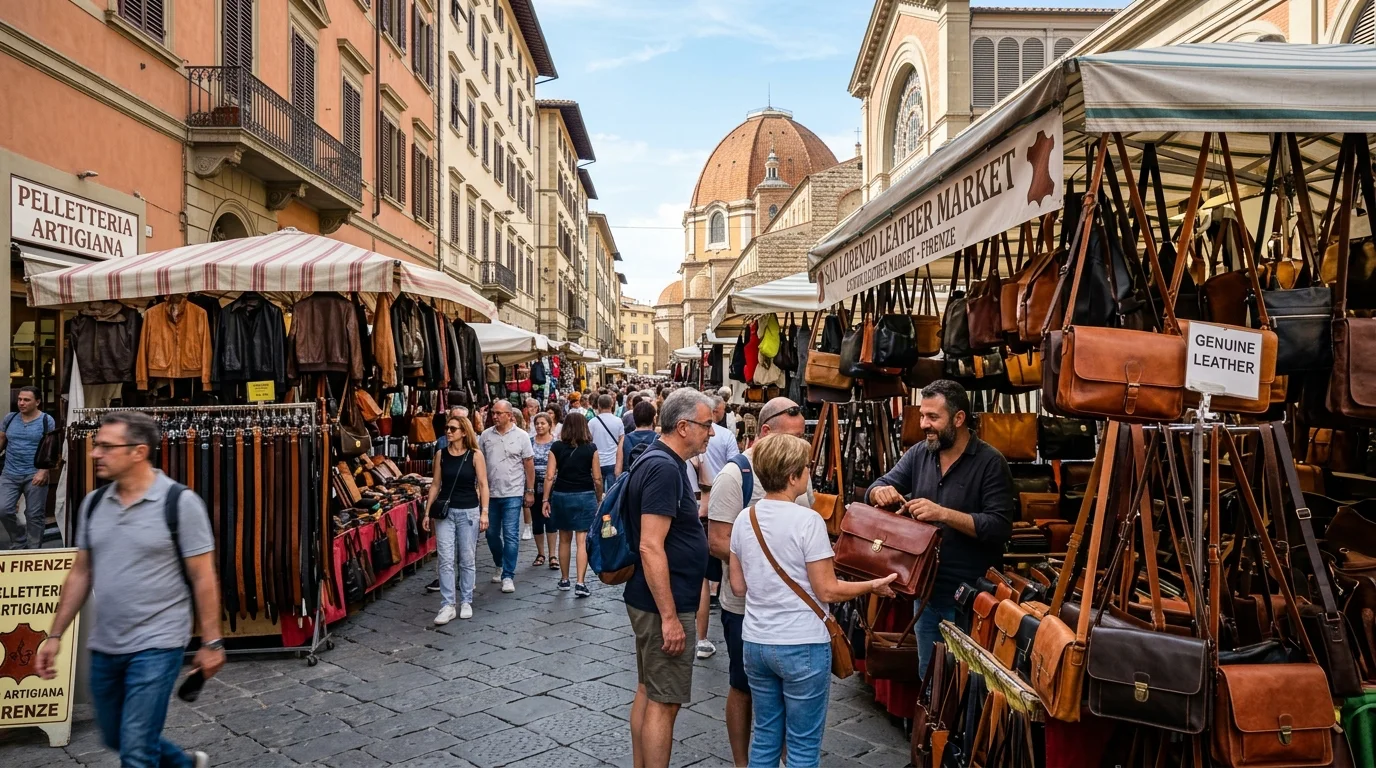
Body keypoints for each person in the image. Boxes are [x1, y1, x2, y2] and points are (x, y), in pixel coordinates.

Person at [36, 411, 221, 768]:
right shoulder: (92, 504)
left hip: (158, 643)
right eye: (96, 445)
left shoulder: (180, 503)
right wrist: (55, 634)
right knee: (116, 735)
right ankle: (183, 763)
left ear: (138, 451)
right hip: (106, 643)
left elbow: (203, 577)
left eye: (106, 446)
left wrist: (211, 643)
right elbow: (81, 573)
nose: (94, 454)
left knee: (136, 750)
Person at [728, 433, 897, 768]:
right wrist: (872, 585)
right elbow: (828, 590)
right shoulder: (808, 521)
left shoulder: (744, 519)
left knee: (764, 737)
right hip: (801, 642)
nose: (809, 473)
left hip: (757, 642)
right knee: (803, 747)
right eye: (806, 468)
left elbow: (737, 586)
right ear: (793, 476)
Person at [866, 379, 1015, 669]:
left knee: (968, 685)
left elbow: (998, 527)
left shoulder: (990, 462)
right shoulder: (920, 453)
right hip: (926, 593)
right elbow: (880, 484)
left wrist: (944, 514)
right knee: (929, 680)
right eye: (922, 415)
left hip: (973, 598)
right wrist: (879, 491)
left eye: (933, 417)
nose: (923, 424)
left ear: (959, 418)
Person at [707, 396, 810, 765]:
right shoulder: (735, 475)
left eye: (801, 439)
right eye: (792, 438)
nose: (799, 448)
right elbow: (717, 540)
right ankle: (741, 761)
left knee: (785, 693)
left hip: (793, 610)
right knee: (743, 688)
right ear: (765, 433)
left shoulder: (798, 469)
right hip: (745, 608)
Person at [623, 388, 715, 768]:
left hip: (653, 598)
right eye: (707, 425)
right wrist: (670, 617)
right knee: (664, 703)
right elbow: (650, 546)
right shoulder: (663, 467)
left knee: (649, 691)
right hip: (664, 601)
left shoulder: (661, 460)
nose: (712, 432)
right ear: (683, 426)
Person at [424, 415, 489, 623]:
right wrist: (427, 512)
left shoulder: (475, 455)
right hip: (445, 512)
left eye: (453, 428)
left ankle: (467, 600)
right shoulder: (441, 454)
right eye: (447, 428)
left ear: (464, 432)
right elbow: (435, 484)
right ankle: (448, 604)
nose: (448, 432)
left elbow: (483, 484)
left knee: (467, 558)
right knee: (445, 559)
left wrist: (484, 511)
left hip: (469, 510)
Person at [478, 399, 536, 593]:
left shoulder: (522, 436)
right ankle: (499, 563)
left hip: (513, 492)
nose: (494, 416)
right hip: (491, 493)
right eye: (493, 413)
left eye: (498, 413)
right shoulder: (485, 436)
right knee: (492, 533)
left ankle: (508, 575)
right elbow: (480, 463)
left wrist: (529, 490)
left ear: (510, 415)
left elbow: (528, 464)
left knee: (511, 535)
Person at [543, 412, 603, 597]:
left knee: (564, 538)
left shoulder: (556, 447)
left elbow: (549, 476)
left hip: (562, 495)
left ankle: (564, 579)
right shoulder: (591, 448)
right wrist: (599, 497)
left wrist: (545, 499)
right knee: (582, 540)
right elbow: (598, 478)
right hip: (585, 495)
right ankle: (580, 582)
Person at [0, 386, 55, 549]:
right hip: (10, 473)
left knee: (34, 515)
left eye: (26, 400)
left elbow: (51, 448)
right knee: (3, 509)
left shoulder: (46, 420)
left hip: (35, 474)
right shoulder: (10, 418)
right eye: (19, 399)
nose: (21, 403)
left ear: (37, 402)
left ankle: (33, 549)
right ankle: (19, 540)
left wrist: (44, 471)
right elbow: (2, 438)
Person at [529, 412, 561, 573]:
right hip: (533, 486)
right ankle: (540, 553)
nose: (540, 426)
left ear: (550, 425)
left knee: (551, 520)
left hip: (552, 486)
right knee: (536, 520)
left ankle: (552, 555)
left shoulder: (556, 443)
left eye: (543, 423)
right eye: (537, 423)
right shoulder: (529, 442)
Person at [588, 393, 626, 482]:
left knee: (599, 490)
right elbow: (621, 441)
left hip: (597, 461)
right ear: (612, 404)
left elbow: (588, 441)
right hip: (613, 461)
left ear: (598, 405)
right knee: (611, 491)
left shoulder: (592, 422)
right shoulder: (618, 421)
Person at [617, 400, 659, 475]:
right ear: (653, 419)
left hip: (631, 482)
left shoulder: (624, 439)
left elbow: (617, 471)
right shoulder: (659, 439)